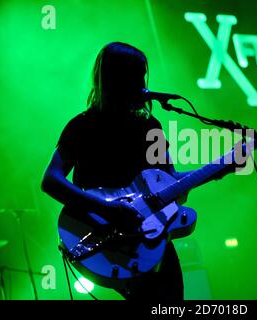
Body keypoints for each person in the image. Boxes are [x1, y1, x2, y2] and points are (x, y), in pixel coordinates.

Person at [41, 42, 191, 300]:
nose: (143, 84)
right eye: (136, 77)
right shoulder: (82, 126)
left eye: (143, 76)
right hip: (104, 243)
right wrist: (105, 208)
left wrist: (216, 169)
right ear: (116, 80)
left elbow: (170, 184)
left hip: (152, 237)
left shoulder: (150, 126)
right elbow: (51, 180)